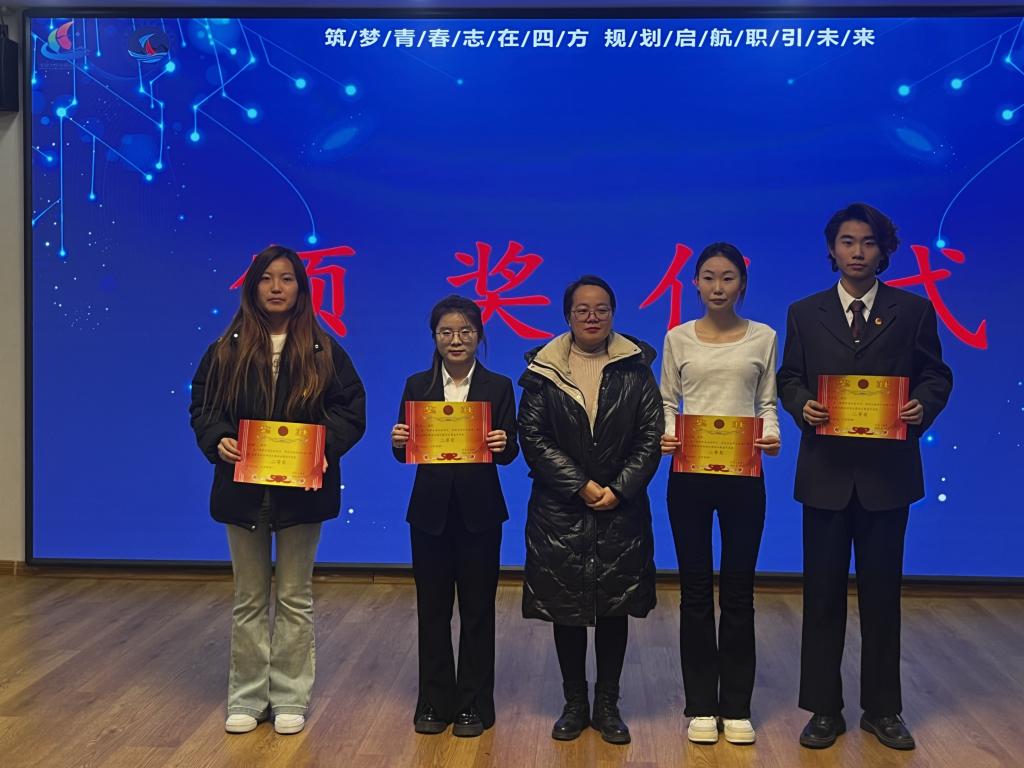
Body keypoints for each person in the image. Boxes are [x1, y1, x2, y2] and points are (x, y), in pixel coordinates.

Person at [777, 203, 952, 751]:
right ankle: (823, 710)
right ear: (832, 250)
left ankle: (882, 709)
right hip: (826, 475)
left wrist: (922, 406)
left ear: (884, 251)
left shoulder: (913, 310)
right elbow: (789, 377)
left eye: (868, 242)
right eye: (847, 242)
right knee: (821, 597)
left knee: (882, 597)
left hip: (887, 476)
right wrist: (801, 404)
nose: (857, 252)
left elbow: (936, 375)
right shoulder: (805, 313)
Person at [190, 244, 366, 735]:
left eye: (286, 278)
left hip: (301, 492)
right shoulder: (225, 349)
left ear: (300, 288)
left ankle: (290, 696)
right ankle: (247, 698)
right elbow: (203, 406)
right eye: (267, 278)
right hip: (242, 490)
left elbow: (351, 409)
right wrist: (217, 439)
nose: (276, 287)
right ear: (253, 287)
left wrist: (321, 446)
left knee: (294, 595)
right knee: (249, 597)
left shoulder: (324, 349)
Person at [518, 275, 663, 745]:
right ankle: (574, 702)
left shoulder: (636, 368)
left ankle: (607, 704)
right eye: (582, 309)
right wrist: (580, 485)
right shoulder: (543, 370)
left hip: (621, 507)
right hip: (559, 509)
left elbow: (650, 436)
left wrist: (618, 489)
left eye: (601, 309)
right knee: (567, 607)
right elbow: (532, 437)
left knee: (615, 607)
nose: (592, 317)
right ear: (568, 316)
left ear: (613, 314)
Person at [658, 242, 780, 745]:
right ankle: (701, 705)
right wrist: (668, 433)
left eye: (727, 277)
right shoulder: (678, 337)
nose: (717, 287)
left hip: (744, 473)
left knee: (738, 590)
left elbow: (766, 402)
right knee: (693, 591)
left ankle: (737, 706)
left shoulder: (764, 336)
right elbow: (668, 401)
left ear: (742, 284)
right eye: (708, 277)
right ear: (695, 283)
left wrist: (772, 435)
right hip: (688, 473)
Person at [390, 295, 519, 737]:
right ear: (435, 337)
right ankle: (433, 702)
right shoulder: (417, 385)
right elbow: (404, 451)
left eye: (465, 331)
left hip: (480, 513)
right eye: (446, 332)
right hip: (429, 514)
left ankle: (474, 705)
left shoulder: (499, 386)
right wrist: (399, 439)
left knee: (478, 611)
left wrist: (504, 442)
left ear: (479, 336)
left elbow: (510, 452)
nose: (456, 339)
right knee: (432, 611)